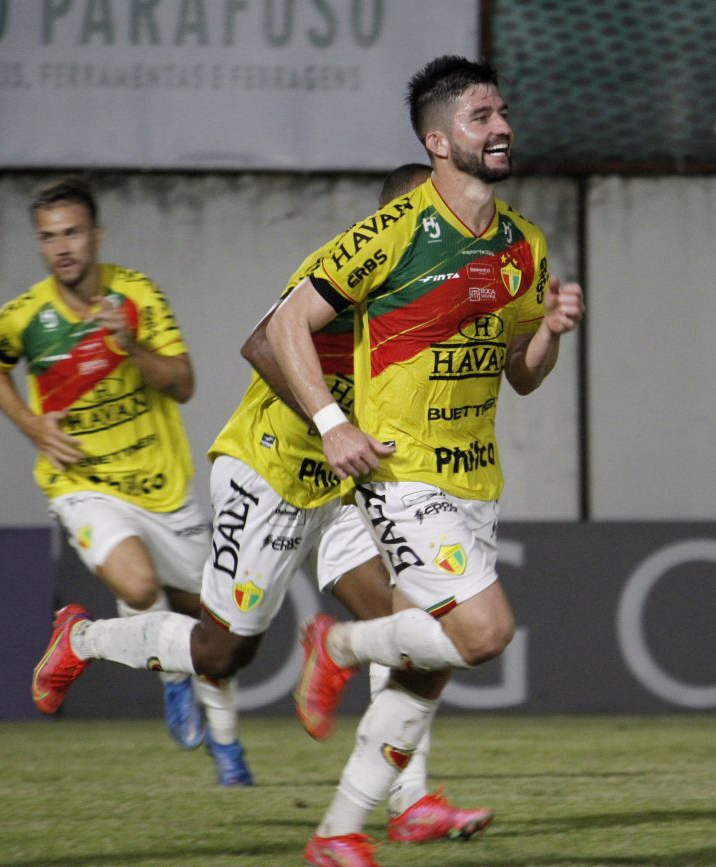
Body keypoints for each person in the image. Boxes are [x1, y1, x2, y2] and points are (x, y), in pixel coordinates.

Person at [30, 165, 491, 831]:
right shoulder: (350, 268)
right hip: (269, 470)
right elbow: (262, 342)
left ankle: (409, 800)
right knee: (225, 653)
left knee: (408, 620)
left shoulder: (440, 282)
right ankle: (84, 637)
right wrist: (333, 426)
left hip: (346, 484)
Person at [266, 56, 585, 866]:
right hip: (403, 473)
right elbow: (283, 327)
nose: (502, 126)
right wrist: (332, 422)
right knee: (485, 632)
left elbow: (521, 376)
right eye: (481, 117)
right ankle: (336, 648)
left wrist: (548, 331)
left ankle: (338, 830)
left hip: (476, 478)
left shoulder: (524, 245)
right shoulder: (394, 232)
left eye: (502, 111)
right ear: (437, 141)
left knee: (423, 673)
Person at [0, 176, 246, 785]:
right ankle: (165, 676)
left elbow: (183, 382)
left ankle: (228, 752)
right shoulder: (25, 318)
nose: (61, 247)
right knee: (137, 583)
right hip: (83, 482)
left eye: (72, 232)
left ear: (95, 235)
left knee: (215, 633)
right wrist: (29, 424)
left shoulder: (138, 297)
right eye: (48, 237)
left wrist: (132, 349)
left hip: (164, 486)